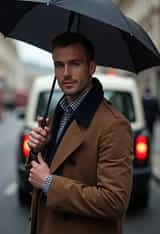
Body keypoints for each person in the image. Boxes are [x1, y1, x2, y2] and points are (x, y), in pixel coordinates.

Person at [27, 32, 133, 234]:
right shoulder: (58, 112)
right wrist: (39, 149)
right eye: (59, 65)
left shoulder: (114, 124)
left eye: (74, 64)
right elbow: (40, 175)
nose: (66, 73)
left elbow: (115, 202)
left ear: (91, 68)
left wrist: (49, 183)